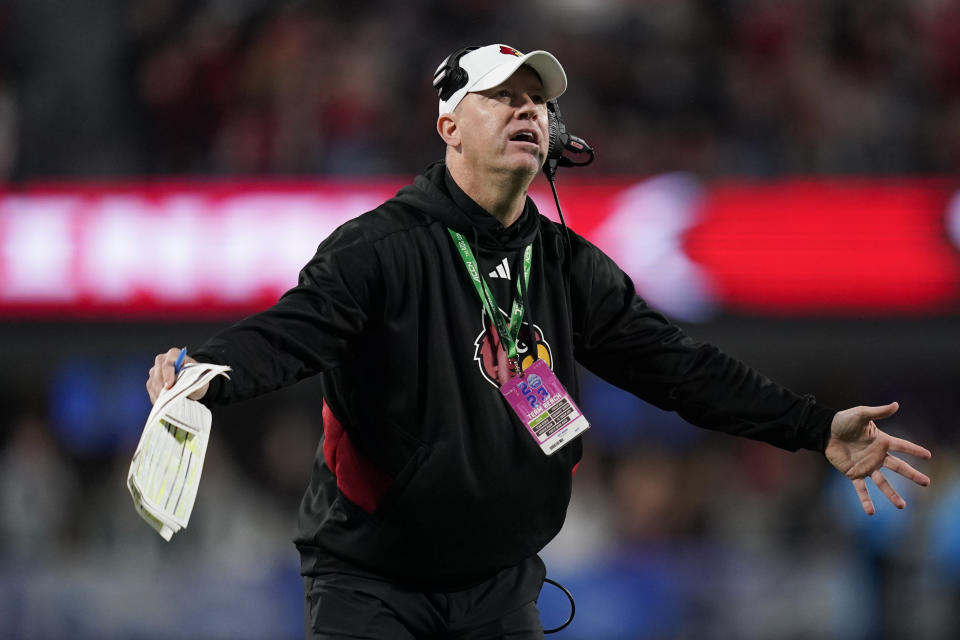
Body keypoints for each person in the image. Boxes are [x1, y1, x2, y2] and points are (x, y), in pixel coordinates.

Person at [145, 44, 932, 639]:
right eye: (504, 98)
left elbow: (680, 368)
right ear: (449, 124)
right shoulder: (378, 250)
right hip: (372, 585)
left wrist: (809, 426)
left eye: (537, 103)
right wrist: (202, 375)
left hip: (503, 586)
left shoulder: (565, 264)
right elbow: (293, 332)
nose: (529, 112)